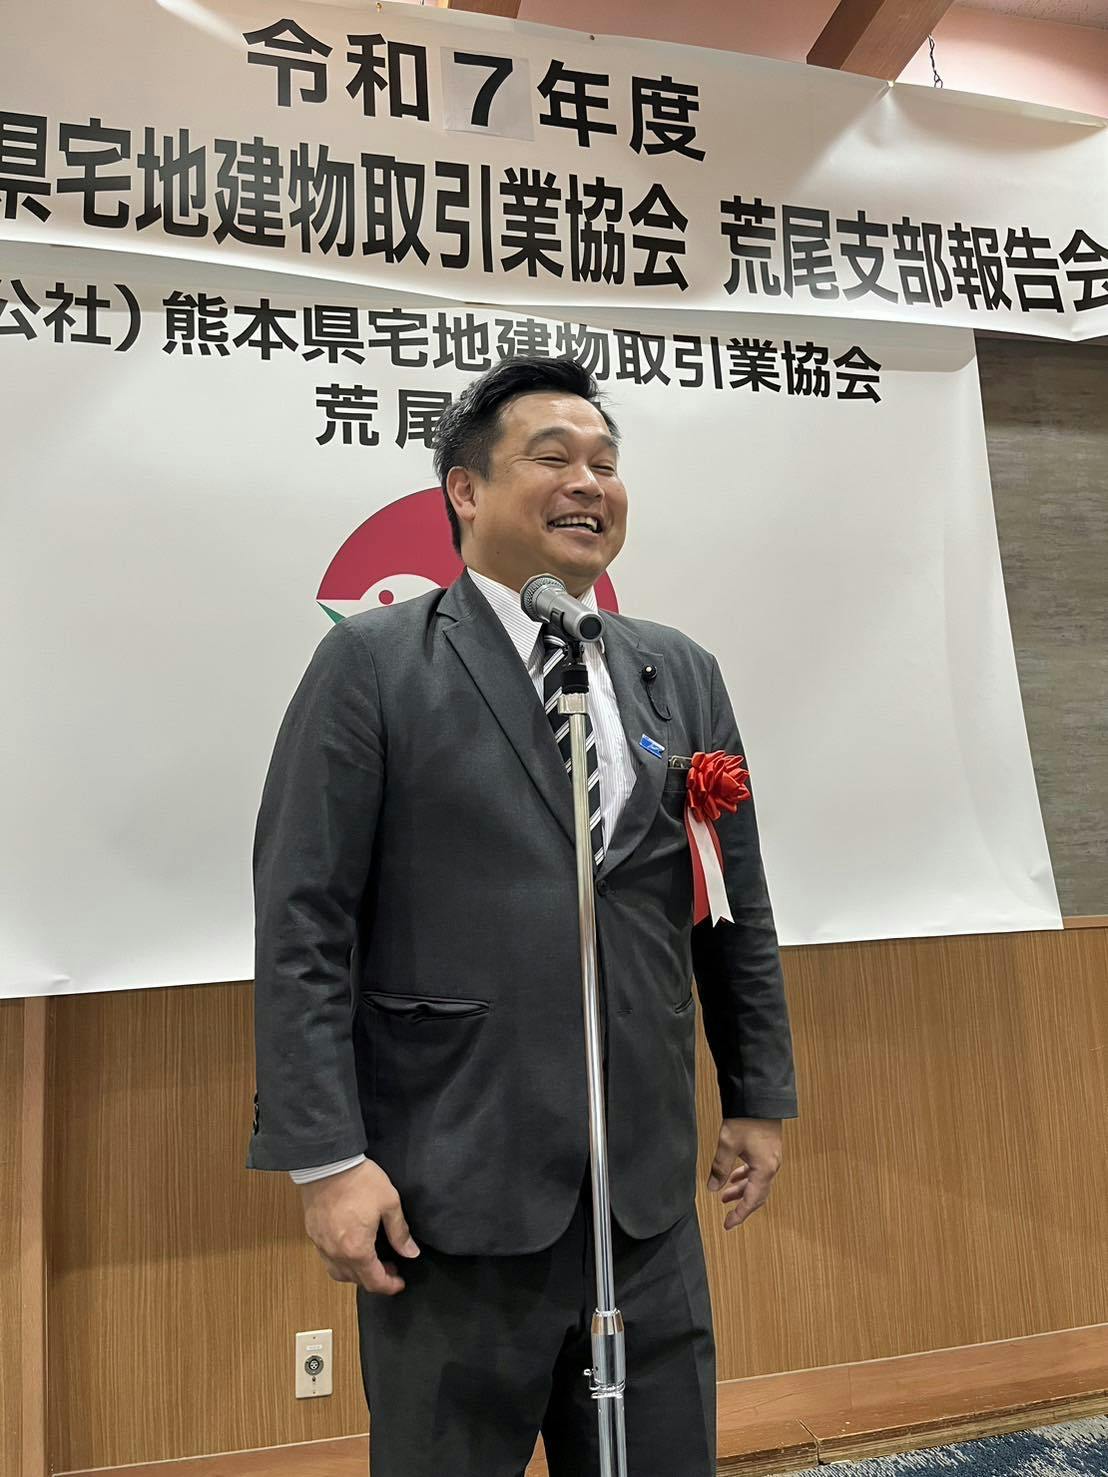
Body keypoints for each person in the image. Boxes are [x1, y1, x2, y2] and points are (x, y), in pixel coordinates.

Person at [248, 355, 797, 1477]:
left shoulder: (677, 672)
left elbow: (729, 904)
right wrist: (325, 1158)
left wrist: (756, 1093)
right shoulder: (373, 662)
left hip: (643, 1195)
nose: (588, 482)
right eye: (553, 457)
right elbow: (304, 920)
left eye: (606, 462)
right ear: (464, 489)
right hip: (449, 1191)